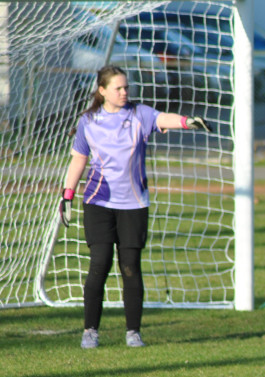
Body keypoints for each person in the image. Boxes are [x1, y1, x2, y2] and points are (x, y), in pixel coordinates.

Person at [60, 65, 209, 349]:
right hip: (98, 202)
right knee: (100, 263)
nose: (124, 92)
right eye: (118, 88)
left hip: (134, 204)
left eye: (126, 87)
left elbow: (163, 118)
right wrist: (67, 195)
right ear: (102, 91)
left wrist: (187, 121)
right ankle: (90, 331)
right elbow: (78, 159)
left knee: (130, 267)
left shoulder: (139, 114)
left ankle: (133, 333)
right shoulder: (88, 121)